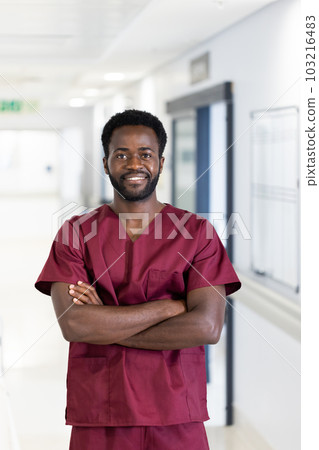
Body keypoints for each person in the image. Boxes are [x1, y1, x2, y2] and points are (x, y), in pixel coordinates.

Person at [35, 109, 241, 450]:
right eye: (121, 155)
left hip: (177, 411)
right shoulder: (74, 233)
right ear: (105, 163)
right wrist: (168, 308)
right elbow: (75, 326)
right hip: (101, 408)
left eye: (145, 154)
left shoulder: (198, 233)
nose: (134, 164)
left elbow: (206, 328)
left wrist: (108, 325)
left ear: (160, 162)